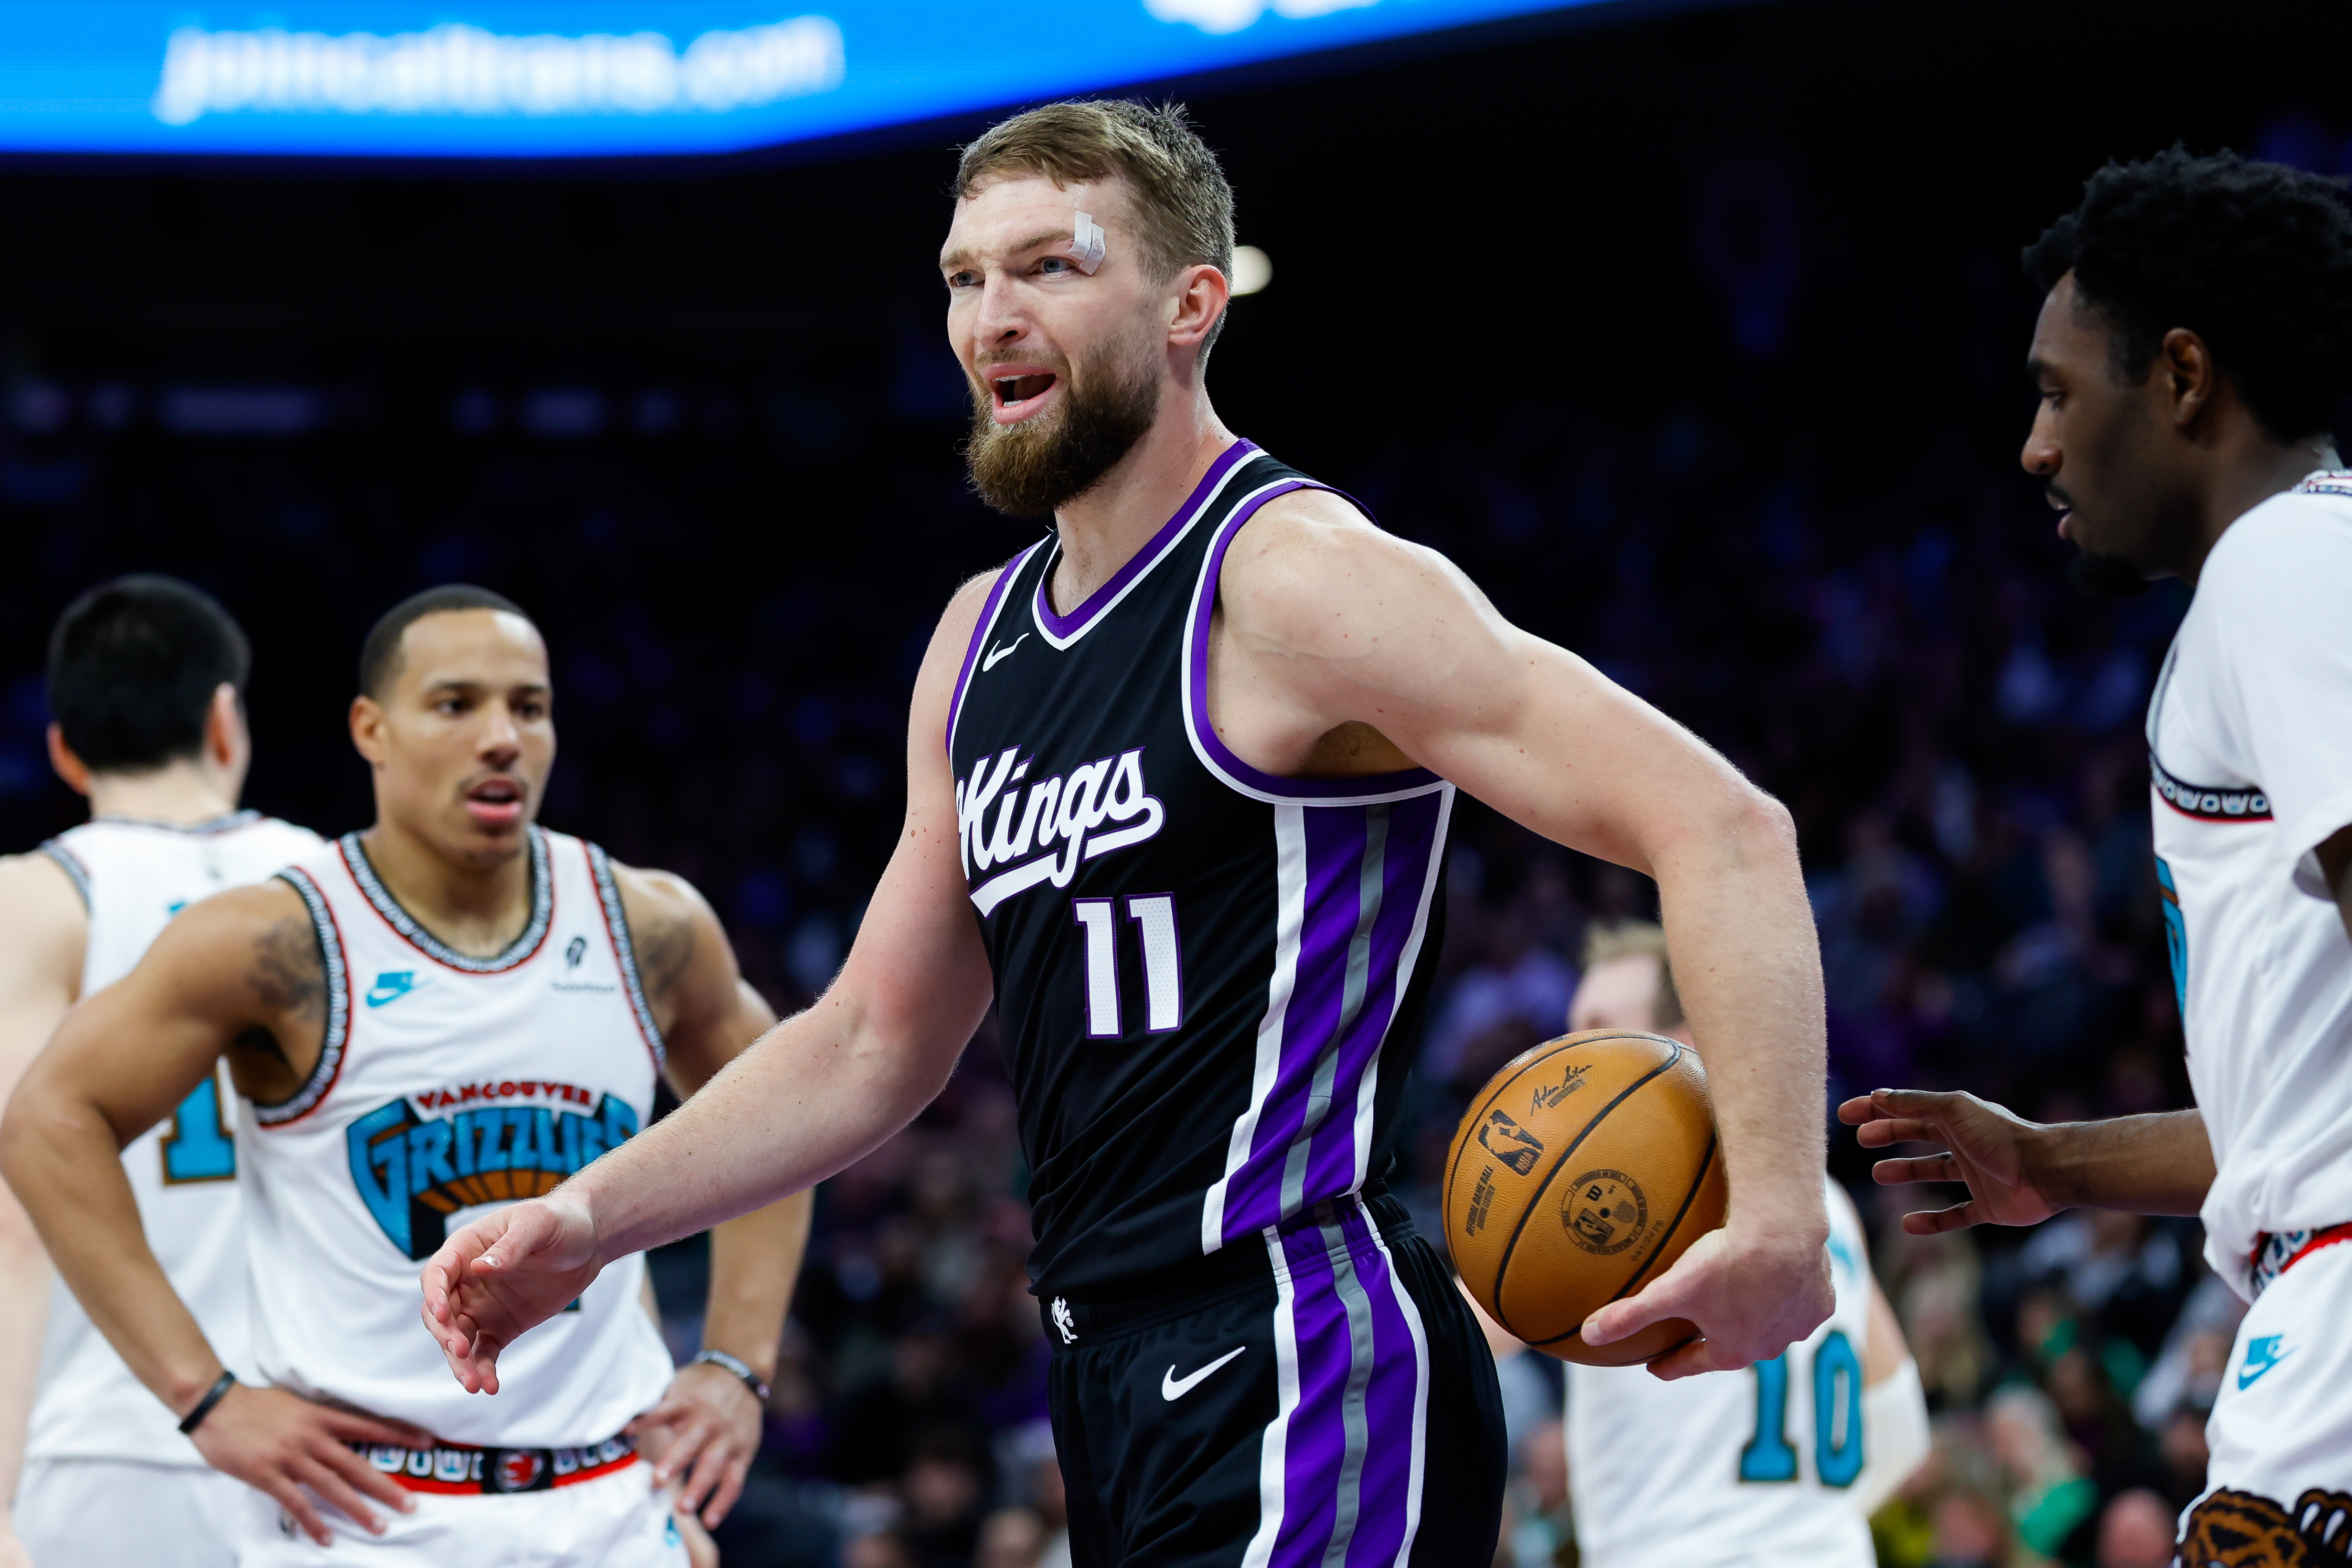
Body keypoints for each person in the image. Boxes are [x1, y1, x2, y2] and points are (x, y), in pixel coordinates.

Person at [421, 101, 1837, 1568]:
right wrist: (589, 1217)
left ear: (1189, 304)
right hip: (1104, 1369)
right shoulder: (974, 643)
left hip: (1303, 1345)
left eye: (1047, 267)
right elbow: (866, 1044)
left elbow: (1723, 826)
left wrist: (1783, 1218)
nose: (991, 316)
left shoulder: (1292, 580)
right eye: (965, 278)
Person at [0, 584, 811, 1566]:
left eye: (529, 706)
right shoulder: (279, 934)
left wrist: (735, 1363)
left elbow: (786, 1110)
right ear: (370, 729)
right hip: (369, 1513)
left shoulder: (650, 923)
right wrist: (201, 1395)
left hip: (608, 1497)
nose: (502, 736)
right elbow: (48, 1119)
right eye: (456, 704)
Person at [1839, 148, 2352, 1560]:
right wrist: (2049, 1166)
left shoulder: (2283, 568)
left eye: (2060, 389)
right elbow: (2300, 1130)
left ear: (2181, 376)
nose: (2035, 444)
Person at [0, 577, 323, 1568]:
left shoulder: (37, 898)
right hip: (327, 1446)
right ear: (227, 721)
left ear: (65, 748)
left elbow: (16, 1217)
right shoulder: (337, 882)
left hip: (107, 1442)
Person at [1556, 922, 1929, 1567]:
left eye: (1594, 1029)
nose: (1565, 1054)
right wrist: (1793, 1524)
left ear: (1688, 1040)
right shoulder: (1823, 1200)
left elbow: (1455, 1336)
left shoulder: (1608, 1194)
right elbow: (1901, 1428)